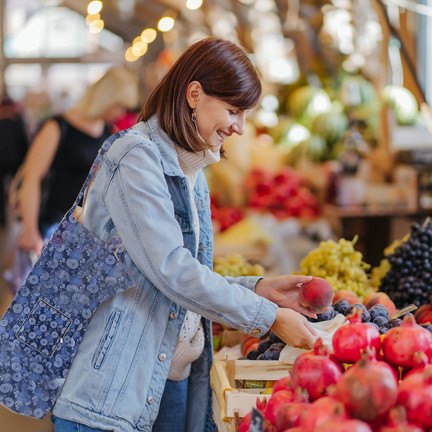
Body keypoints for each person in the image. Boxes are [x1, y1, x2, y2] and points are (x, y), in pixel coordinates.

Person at [50, 38, 318, 432]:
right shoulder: (135, 157)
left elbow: (173, 277)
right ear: (194, 94)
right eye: (233, 110)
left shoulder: (191, 169)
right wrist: (266, 317)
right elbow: (170, 269)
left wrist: (258, 289)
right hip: (110, 392)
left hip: (167, 378)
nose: (240, 127)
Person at [17, 67, 139, 256]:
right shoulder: (58, 126)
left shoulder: (106, 131)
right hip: (54, 227)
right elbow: (32, 177)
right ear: (106, 99)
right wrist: (29, 228)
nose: (121, 113)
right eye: (119, 106)